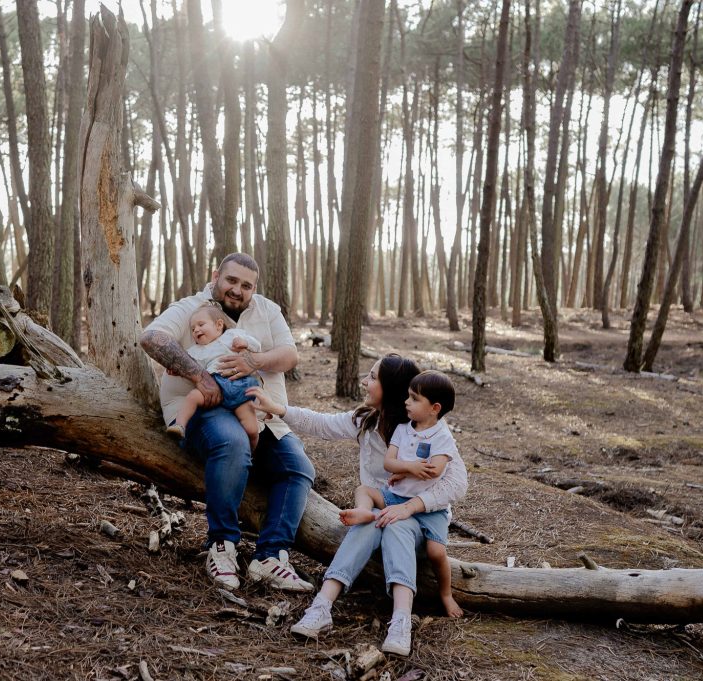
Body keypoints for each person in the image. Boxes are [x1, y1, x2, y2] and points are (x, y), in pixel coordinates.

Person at [248, 356, 468, 657]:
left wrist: (411, 507)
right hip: (381, 508)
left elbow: (457, 483)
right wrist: (278, 409)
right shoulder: (368, 420)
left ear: (391, 388)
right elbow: (321, 423)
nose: (364, 382)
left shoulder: (427, 430)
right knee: (371, 521)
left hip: (419, 519)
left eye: (373, 377)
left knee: (395, 525)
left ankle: (401, 621)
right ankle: (321, 606)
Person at [141, 253, 315, 593]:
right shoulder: (191, 308)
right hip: (203, 407)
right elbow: (152, 338)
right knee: (233, 442)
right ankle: (221, 545)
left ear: (254, 289)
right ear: (216, 276)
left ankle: (271, 556)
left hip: (259, 412)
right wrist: (200, 377)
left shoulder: (267, 311)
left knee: (298, 467)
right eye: (231, 281)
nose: (237, 290)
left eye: (246, 285)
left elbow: (290, 355)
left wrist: (254, 361)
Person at [340, 370, 463, 619]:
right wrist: (408, 469)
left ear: (434, 408)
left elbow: (436, 470)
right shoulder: (403, 430)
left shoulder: (442, 437)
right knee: (364, 490)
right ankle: (364, 512)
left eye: (414, 398)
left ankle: (446, 594)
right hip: (397, 498)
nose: (406, 402)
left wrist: (407, 470)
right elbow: (389, 463)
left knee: (436, 552)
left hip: (430, 509)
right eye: (408, 396)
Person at [165, 302, 262, 451]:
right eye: (193, 329)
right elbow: (185, 363)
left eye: (201, 324)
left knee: (252, 429)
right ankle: (180, 426)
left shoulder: (232, 335)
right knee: (193, 397)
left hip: (238, 385)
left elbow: (257, 345)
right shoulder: (196, 350)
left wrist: (245, 343)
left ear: (219, 325)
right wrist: (175, 369)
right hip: (214, 387)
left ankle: (252, 454)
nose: (196, 330)